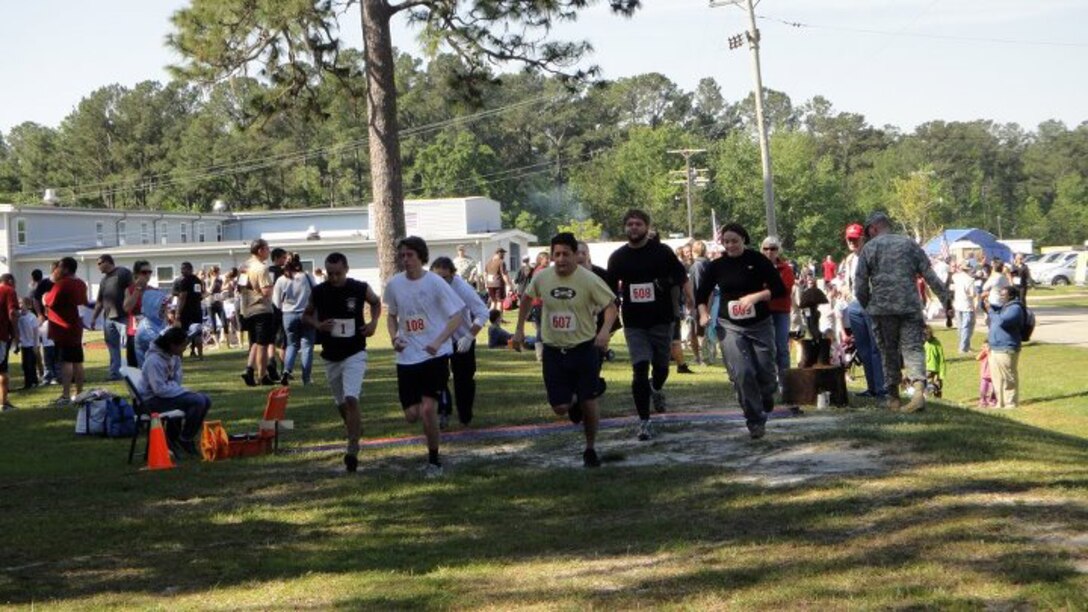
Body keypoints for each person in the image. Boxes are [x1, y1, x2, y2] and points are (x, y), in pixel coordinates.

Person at [513, 232, 617, 468]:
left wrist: (604, 331)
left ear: (575, 255)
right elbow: (527, 299)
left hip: (583, 348)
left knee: (589, 401)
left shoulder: (589, 280)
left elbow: (611, 308)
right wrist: (519, 329)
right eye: (556, 255)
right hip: (553, 349)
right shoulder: (542, 278)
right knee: (560, 407)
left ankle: (590, 448)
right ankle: (577, 398)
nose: (560, 259)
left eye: (565, 254)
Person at [606, 209, 694, 441]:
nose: (634, 228)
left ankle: (656, 387)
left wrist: (666, 283)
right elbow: (609, 288)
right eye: (630, 224)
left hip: (661, 319)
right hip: (635, 321)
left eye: (638, 224)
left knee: (662, 368)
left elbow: (680, 275)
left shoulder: (661, 252)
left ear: (646, 227)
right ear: (625, 228)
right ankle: (644, 421)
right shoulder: (618, 257)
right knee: (639, 368)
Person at [384, 236, 465, 478]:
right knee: (412, 415)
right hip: (407, 356)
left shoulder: (435, 283)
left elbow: (457, 316)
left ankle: (434, 460)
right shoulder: (395, 284)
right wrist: (394, 337)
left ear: (421, 256)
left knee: (429, 409)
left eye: (410, 255)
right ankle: (431, 427)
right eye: (403, 255)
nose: (405, 259)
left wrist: (438, 341)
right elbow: (391, 315)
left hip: (435, 355)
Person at [696, 223, 787, 439]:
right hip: (730, 325)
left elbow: (779, 289)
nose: (730, 245)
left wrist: (755, 297)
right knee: (743, 373)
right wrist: (703, 314)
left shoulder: (758, 260)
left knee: (765, 372)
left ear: (743, 240)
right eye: (726, 241)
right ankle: (754, 420)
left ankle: (767, 394)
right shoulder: (716, 265)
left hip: (760, 324)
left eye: (734, 241)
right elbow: (701, 294)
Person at [855, 212, 949, 412]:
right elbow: (930, 275)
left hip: (882, 308)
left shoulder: (869, 248)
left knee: (888, 351)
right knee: (913, 348)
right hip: (910, 306)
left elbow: (861, 285)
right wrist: (946, 300)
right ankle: (917, 394)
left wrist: (867, 305)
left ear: (873, 229)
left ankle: (894, 398)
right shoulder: (910, 245)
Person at [303, 252, 381, 473]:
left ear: (346, 269)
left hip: (355, 351)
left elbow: (376, 302)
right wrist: (318, 325)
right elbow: (306, 316)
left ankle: (352, 448)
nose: (334, 278)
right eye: (330, 274)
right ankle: (355, 428)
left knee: (351, 398)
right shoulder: (319, 292)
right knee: (341, 404)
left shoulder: (359, 288)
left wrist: (374, 323)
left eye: (338, 273)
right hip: (331, 355)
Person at [430, 257, 490, 429]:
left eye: (445, 278)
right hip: (440, 339)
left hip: (462, 338)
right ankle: (444, 411)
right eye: (437, 278)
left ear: (453, 275)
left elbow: (482, 312)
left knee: (464, 380)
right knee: (437, 378)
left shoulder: (462, 288)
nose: (441, 282)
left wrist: (470, 336)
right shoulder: (427, 287)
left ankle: (465, 415)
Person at [137, 326, 211, 456]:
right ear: (172, 345)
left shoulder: (173, 357)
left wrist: (181, 391)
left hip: (165, 396)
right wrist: (183, 392)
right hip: (149, 401)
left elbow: (176, 380)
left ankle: (177, 437)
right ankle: (185, 438)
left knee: (206, 399)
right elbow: (159, 389)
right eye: (182, 346)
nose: (184, 348)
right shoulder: (154, 361)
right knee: (197, 401)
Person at [44, 258, 89, 406]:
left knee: (66, 362)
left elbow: (48, 300)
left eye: (59, 267)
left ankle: (65, 395)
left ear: (66, 269)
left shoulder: (62, 284)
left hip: (63, 327)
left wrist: (45, 296)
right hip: (76, 326)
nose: (57, 270)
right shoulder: (81, 283)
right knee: (77, 361)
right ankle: (80, 393)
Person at [273, 253, 317, 386]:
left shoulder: (281, 280)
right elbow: (316, 292)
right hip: (306, 313)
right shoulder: (307, 276)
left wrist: (284, 307)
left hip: (288, 315)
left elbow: (276, 301)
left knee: (291, 345)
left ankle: (287, 370)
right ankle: (306, 378)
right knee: (307, 346)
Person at [240, 239, 277, 386]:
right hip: (261, 308)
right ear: (261, 250)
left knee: (254, 341)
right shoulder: (262, 268)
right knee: (263, 343)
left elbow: (241, 286)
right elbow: (266, 291)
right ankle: (262, 375)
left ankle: (249, 370)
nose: (269, 251)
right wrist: (273, 287)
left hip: (247, 309)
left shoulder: (244, 266)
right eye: (267, 249)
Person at [90, 254, 133, 381]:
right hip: (108, 318)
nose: (98, 266)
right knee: (113, 347)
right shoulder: (103, 280)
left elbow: (133, 289)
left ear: (108, 262)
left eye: (99, 263)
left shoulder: (123, 272)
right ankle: (115, 374)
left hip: (124, 317)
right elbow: (99, 302)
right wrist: (93, 318)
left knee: (130, 346)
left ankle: (132, 371)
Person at [761, 237, 795, 393]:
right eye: (766, 248)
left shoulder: (786, 269)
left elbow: (784, 289)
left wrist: (765, 290)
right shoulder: (757, 267)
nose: (769, 252)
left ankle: (785, 382)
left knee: (781, 347)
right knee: (766, 348)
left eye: (773, 248)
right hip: (763, 312)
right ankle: (768, 381)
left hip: (781, 312)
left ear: (778, 250)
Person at [987, 285, 1024, 409]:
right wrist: (987, 304)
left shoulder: (1015, 308)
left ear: (1011, 296)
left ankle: (1011, 403)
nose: (1001, 297)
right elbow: (995, 312)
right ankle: (1000, 402)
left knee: (1009, 376)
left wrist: (991, 311)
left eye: (1003, 295)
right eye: (1000, 295)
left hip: (1007, 348)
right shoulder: (1004, 307)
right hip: (995, 347)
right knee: (996, 377)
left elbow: (1002, 321)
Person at [129, 264, 169, 367]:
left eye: (149, 272)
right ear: (136, 274)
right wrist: (137, 290)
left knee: (156, 361)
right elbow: (127, 308)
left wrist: (166, 326)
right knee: (136, 365)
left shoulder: (154, 291)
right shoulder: (130, 289)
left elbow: (163, 311)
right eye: (144, 272)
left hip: (153, 328)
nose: (147, 275)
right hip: (134, 330)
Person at [172, 262, 205, 360]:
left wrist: (178, 312)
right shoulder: (198, 281)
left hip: (186, 311)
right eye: (181, 269)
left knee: (183, 333)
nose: (182, 271)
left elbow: (183, 297)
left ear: (190, 269)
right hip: (197, 310)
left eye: (184, 269)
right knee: (197, 332)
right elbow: (199, 295)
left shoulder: (185, 281)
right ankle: (200, 355)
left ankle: (179, 355)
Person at [688, 240, 712, 365]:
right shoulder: (708, 263)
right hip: (707, 301)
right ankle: (703, 356)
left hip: (698, 302)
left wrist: (694, 302)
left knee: (697, 331)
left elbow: (698, 285)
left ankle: (701, 357)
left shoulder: (697, 265)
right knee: (701, 330)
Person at [0, 275, 20, 411]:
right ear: (10, 281)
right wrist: (16, 333)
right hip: (1, 334)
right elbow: (12, 312)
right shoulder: (9, 291)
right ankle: (3, 402)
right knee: (2, 369)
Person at [950, 262, 978, 354]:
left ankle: (965, 345)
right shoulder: (970, 280)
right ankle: (963, 348)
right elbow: (972, 294)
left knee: (960, 326)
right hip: (967, 305)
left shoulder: (956, 277)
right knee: (966, 327)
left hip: (958, 304)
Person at [16, 298, 40, 391]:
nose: (20, 305)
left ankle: (33, 382)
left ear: (28, 305)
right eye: (19, 303)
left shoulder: (32, 317)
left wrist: (35, 345)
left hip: (31, 345)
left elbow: (36, 332)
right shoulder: (19, 317)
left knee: (31, 364)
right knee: (25, 365)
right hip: (24, 345)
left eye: (22, 303)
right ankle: (28, 383)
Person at [981, 259, 1011, 325]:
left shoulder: (994, 278)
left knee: (992, 321)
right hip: (1002, 302)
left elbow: (984, 287)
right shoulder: (1004, 278)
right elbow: (1008, 286)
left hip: (993, 301)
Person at [482, 247, 512, 312]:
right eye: (503, 254)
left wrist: (486, 283)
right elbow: (503, 274)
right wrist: (508, 284)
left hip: (490, 284)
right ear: (498, 253)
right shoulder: (501, 262)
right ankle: (498, 319)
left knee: (493, 302)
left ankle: (491, 317)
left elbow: (485, 273)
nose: (504, 255)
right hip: (498, 284)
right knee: (499, 302)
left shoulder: (489, 262)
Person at [207, 266, 229, 347]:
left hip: (219, 303)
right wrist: (213, 281)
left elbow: (221, 289)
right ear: (212, 273)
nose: (217, 274)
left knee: (224, 323)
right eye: (215, 272)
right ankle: (217, 344)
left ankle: (228, 343)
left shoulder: (220, 280)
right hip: (210, 303)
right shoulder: (208, 280)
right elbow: (209, 291)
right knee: (213, 324)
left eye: (218, 272)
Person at [922, 325, 946, 398]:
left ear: (930, 334)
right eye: (923, 336)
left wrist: (941, 373)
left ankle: (938, 401)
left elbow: (941, 359)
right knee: (927, 386)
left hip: (936, 370)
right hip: (927, 369)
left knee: (937, 387)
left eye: (926, 335)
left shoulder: (937, 343)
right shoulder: (924, 344)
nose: (924, 337)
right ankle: (928, 399)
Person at [976, 341, 997, 408]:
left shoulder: (993, 354)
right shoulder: (983, 354)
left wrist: (989, 352)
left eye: (987, 346)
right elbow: (977, 358)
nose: (985, 348)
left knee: (993, 390)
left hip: (993, 376)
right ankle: (982, 401)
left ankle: (992, 400)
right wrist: (983, 352)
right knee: (983, 389)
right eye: (983, 347)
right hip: (984, 376)